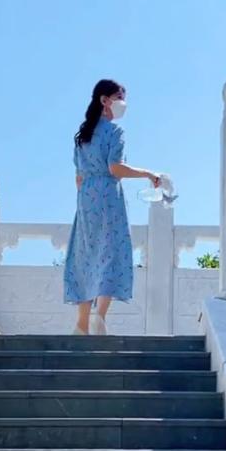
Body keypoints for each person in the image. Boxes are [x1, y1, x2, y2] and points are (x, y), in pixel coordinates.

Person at [64, 79, 162, 335]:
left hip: (86, 198)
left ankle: (82, 323)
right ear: (104, 100)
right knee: (111, 252)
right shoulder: (114, 132)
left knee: (85, 255)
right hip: (108, 195)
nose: (123, 103)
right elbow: (115, 167)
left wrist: (87, 198)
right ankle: (100, 317)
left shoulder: (82, 135)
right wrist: (147, 174)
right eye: (119, 97)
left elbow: (78, 177)